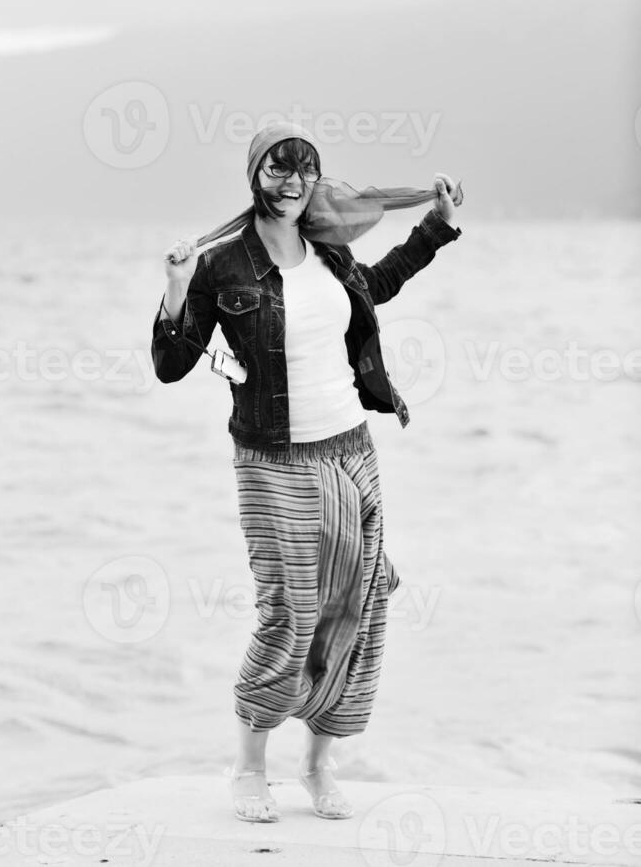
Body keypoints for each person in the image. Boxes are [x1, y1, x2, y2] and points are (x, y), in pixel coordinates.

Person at [151, 121, 462, 824]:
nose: (290, 182)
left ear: (313, 179)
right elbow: (171, 364)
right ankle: (248, 767)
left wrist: (438, 227)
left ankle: (319, 766)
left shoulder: (330, 252)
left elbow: (378, 286)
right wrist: (175, 287)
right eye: (276, 168)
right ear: (255, 176)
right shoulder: (221, 265)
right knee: (289, 610)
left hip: (350, 447)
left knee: (364, 597)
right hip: (271, 457)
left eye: (302, 169)